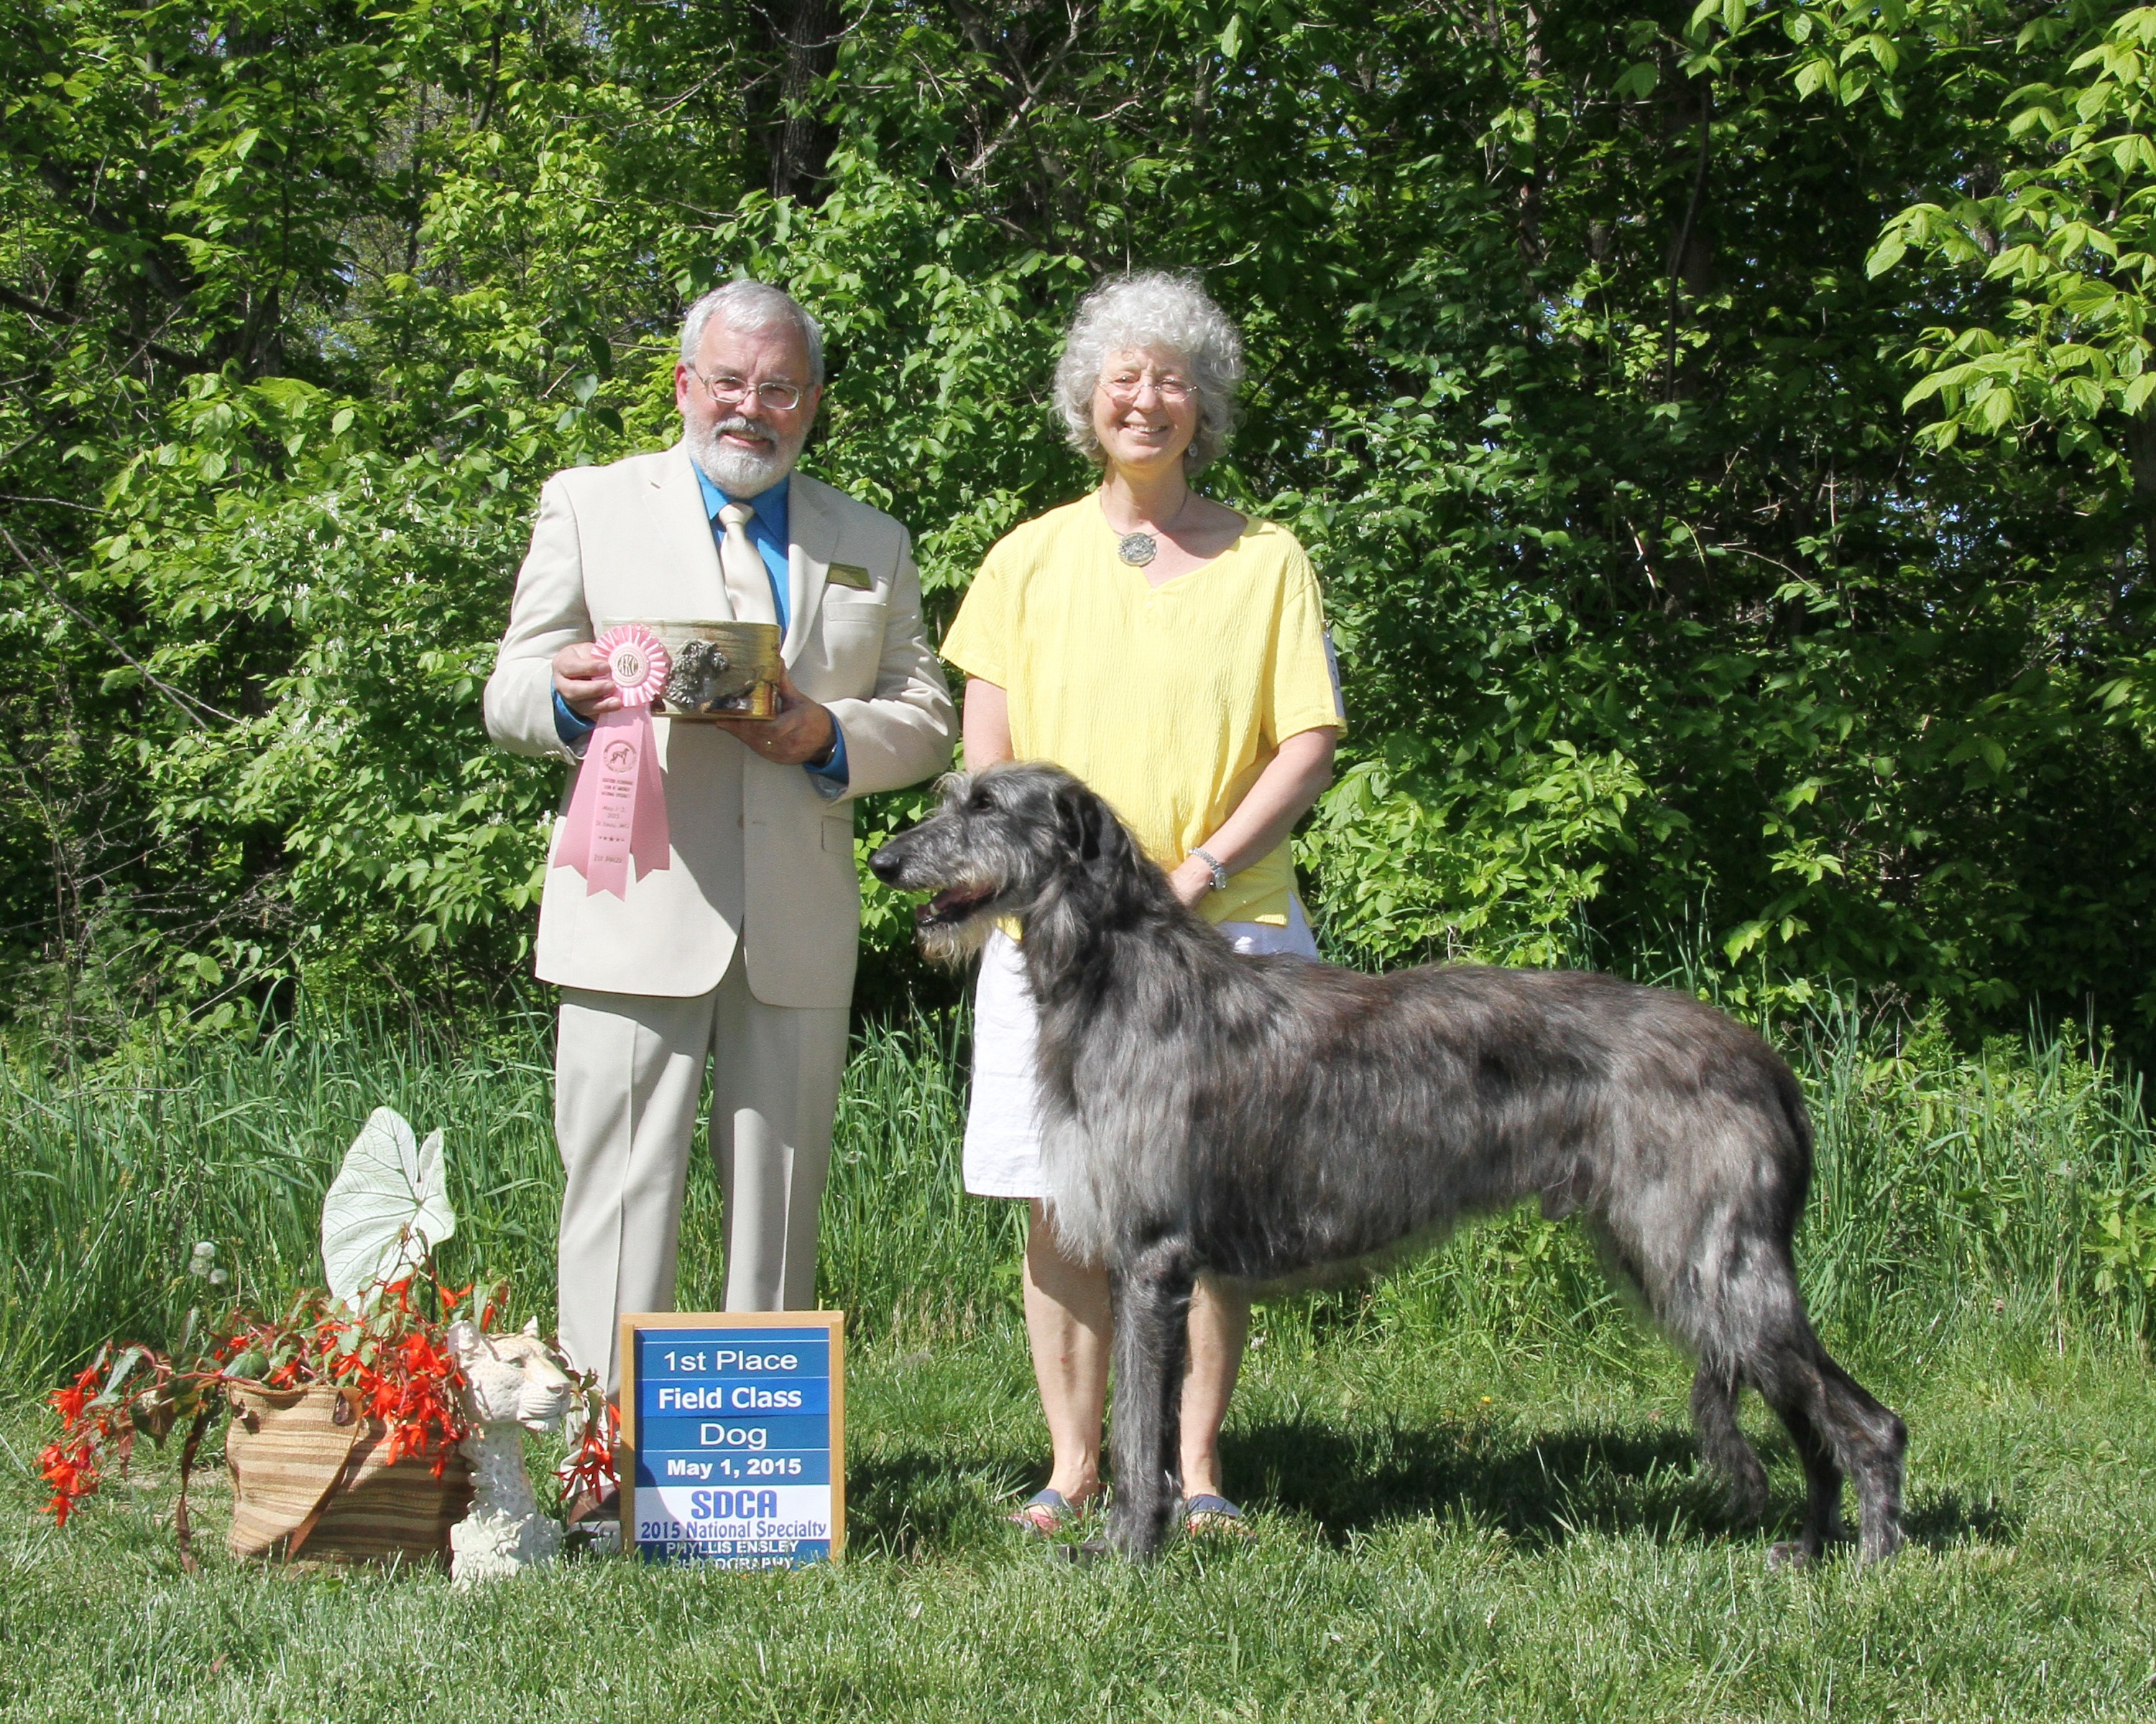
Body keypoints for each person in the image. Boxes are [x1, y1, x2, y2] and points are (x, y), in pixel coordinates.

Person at [484, 282, 957, 1442]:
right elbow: (507, 689)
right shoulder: (588, 505)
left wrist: (830, 737)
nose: (755, 408)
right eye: (733, 383)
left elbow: (929, 713)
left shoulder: (872, 540)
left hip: (797, 921)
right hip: (631, 903)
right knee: (617, 1197)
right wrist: (566, 693)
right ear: (686, 386)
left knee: (779, 1209)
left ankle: (756, 1472)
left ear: (814, 403)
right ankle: (599, 1464)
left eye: (782, 388)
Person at [939, 272, 1344, 1535]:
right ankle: (1073, 1469)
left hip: (1224, 930)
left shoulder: (1268, 558)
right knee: (1063, 1205)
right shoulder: (1026, 557)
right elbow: (985, 760)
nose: (1148, 398)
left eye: (1172, 378)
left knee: (1204, 1210)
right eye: (1124, 377)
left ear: (1202, 403)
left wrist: (1199, 869)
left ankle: (1195, 1470)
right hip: (1056, 943)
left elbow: (1308, 741)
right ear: (1086, 399)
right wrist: (1021, 880)